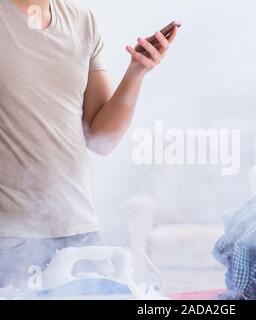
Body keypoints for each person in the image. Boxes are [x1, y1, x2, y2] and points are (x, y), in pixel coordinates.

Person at [0, 0, 178, 288]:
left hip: (80, 230)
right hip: (10, 237)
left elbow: (101, 138)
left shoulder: (84, 23)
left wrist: (137, 71)